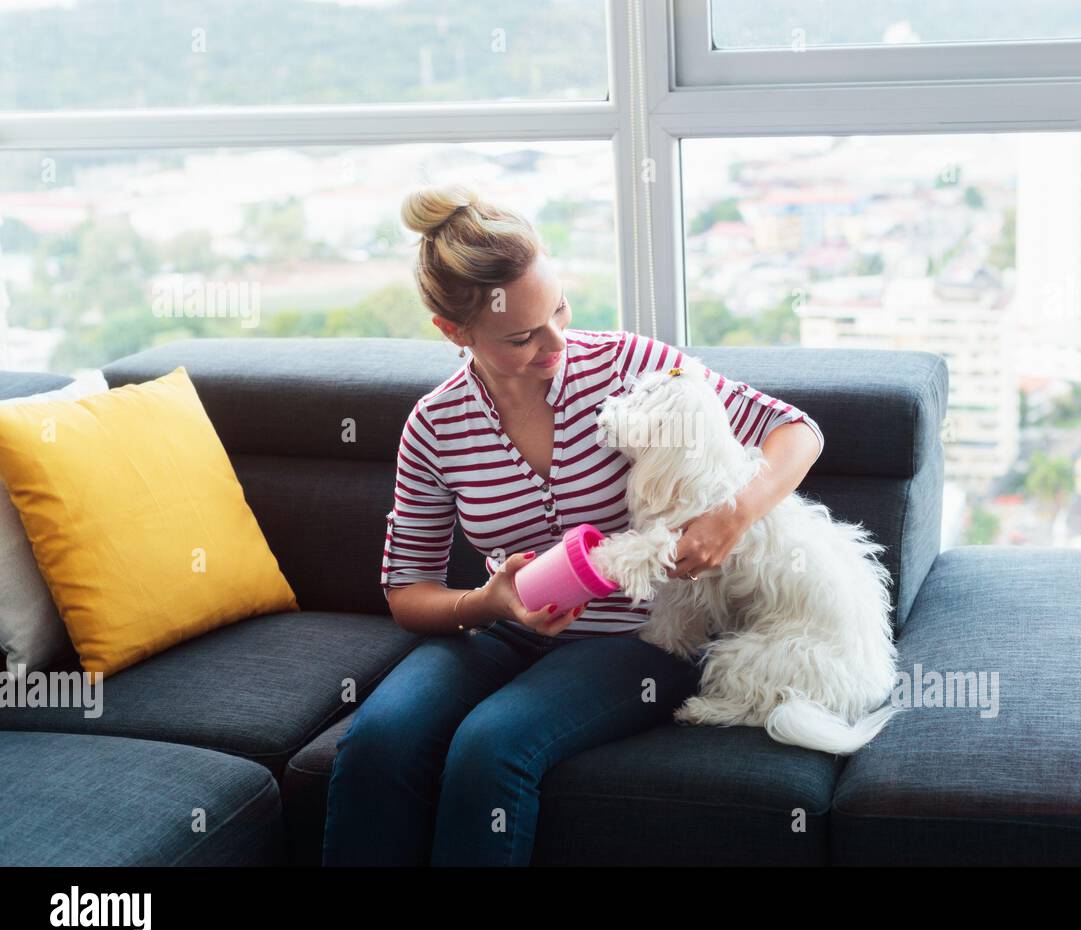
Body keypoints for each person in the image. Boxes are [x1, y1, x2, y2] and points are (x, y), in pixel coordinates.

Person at [321, 183, 824, 866]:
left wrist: (729, 517)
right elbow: (408, 592)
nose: (557, 342)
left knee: (491, 745)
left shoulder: (632, 366)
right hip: (501, 630)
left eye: (559, 309)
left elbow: (796, 432)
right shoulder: (436, 426)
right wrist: (487, 603)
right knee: (380, 738)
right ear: (454, 331)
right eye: (522, 336)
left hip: (640, 637)